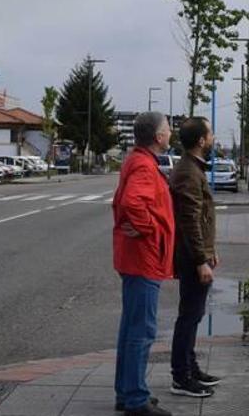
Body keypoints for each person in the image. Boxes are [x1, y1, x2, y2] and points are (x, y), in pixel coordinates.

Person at [112, 111, 175, 416]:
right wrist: (149, 228)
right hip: (144, 257)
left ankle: (126, 392)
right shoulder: (144, 166)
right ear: (158, 137)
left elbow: (121, 203)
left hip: (136, 256)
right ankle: (135, 399)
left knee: (131, 327)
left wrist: (142, 225)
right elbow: (131, 202)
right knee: (142, 330)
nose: (171, 132)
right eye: (167, 129)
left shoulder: (137, 161)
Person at [169, 117, 223, 398]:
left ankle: (190, 367)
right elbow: (189, 220)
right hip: (191, 258)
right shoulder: (189, 172)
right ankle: (181, 376)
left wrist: (210, 250)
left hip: (197, 254)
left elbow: (200, 218)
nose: (213, 137)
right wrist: (201, 259)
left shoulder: (192, 169)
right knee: (189, 316)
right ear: (201, 140)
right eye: (210, 133)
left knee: (193, 314)